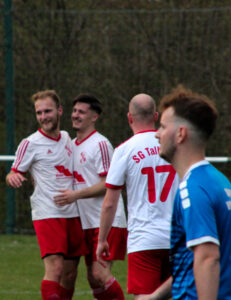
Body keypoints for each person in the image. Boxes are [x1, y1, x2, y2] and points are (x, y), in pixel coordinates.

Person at [149, 86, 231, 300]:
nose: (157, 134)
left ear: (180, 134)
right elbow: (191, 259)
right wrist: (154, 297)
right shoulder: (219, 182)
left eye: (163, 126)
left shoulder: (193, 189)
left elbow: (207, 258)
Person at [6, 90, 87, 300]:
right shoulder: (30, 143)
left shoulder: (68, 138)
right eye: (39, 113)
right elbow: (14, 171)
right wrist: (13, 177)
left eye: (47, 111)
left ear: (59, 111)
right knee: (56, 269)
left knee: (70, 274)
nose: (43, 117)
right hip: (48, 213)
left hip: (73, 213)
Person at [96, 93, 178, 299]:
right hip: (177, 236)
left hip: (144, 238)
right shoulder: (176, 146)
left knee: (144, 296)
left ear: (129, 118)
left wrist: (102, 239)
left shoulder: (124, 150)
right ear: (156, 116)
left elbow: (110, 202)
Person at [53, 94, 127, 300]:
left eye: (81, 112)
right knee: (91, 278)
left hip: (107, 219)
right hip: (85, 221)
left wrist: (76, 195)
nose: (75, 115)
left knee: (99, 273)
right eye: (74, 111)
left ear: (94, 117)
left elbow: (108, 184)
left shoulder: (100, 144)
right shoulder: (70, 145)